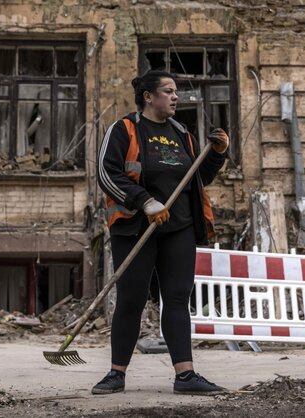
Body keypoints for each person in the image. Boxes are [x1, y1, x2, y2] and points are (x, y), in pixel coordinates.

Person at [94, 69, 229, 395]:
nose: (175, 96)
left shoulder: (182, 132)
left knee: (178, 299)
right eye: (168, 91)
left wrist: (216, 156)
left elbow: (197, 179)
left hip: (178, 227)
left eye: (175, 91)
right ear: (148, 97)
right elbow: (106, 173)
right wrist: (145, 202)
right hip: (136, 228)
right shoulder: (124, 129)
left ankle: (185, 375)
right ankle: (116, 374)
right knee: (132, 299)